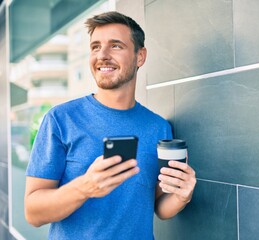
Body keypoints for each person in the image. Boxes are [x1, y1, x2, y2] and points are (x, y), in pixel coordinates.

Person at [24, 11, 196, 240]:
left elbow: (157, 206)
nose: (102, 55)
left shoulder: (159, 127)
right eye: (95, 47)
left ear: (140, 56)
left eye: (115, 46)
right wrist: (85, 187)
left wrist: (182, 196)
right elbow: (33, 213)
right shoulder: (60, 119)